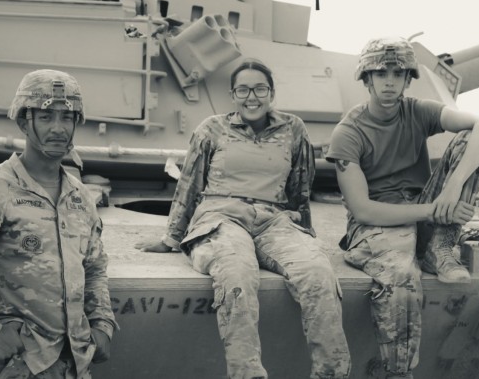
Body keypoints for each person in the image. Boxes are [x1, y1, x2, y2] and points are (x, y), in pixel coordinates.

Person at [135, 58, 351, 379]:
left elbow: (301, 187)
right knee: (236, 273)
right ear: (233, 95)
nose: (252, 97)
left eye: (260, 88)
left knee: (317, 272)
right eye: (243, 89)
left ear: (272, 92)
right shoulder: (212, 129)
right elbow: (190, 184)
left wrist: (304, 235)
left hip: (274, 220)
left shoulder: (293, 129)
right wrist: (171, 238)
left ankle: (332, 373)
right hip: (221, 217)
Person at [0, 69, 118, 379]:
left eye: (67, 117)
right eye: (45, 117)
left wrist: (102, 322)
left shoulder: (80, 196)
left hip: (75, 363)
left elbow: (94, 267)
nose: (58, 128)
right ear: (24, 121)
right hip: (18, 363)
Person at [325, 37, 479, 379]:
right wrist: (434, 211)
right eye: (380, 73)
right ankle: (399, 373)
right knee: (402, 277)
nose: (389, 81)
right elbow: (363, 211)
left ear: (408, 80)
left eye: (398, 73)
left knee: (474, 143)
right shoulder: (348, 132)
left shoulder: (417, 110)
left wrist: (450, 190)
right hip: (378, 226)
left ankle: (440, 247)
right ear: (366, 79)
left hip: (424, 210)